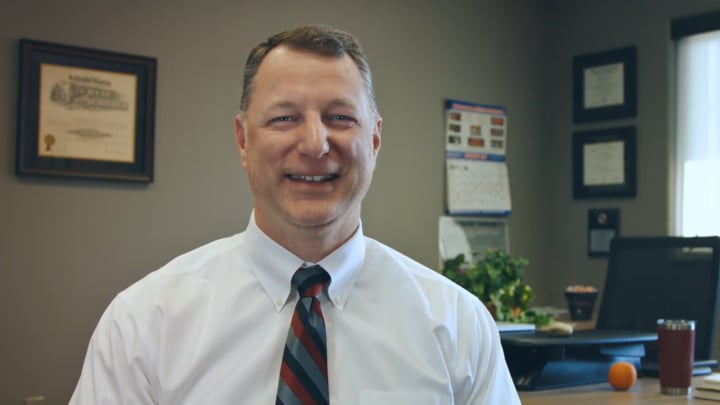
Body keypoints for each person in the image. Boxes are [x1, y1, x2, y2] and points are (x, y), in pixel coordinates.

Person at [69, 24, 521, 404]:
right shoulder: (145, 323)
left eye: (340, 117)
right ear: (243, 140)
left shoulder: (457, 325)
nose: (315, 144)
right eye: (284, 118)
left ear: (374, 140)